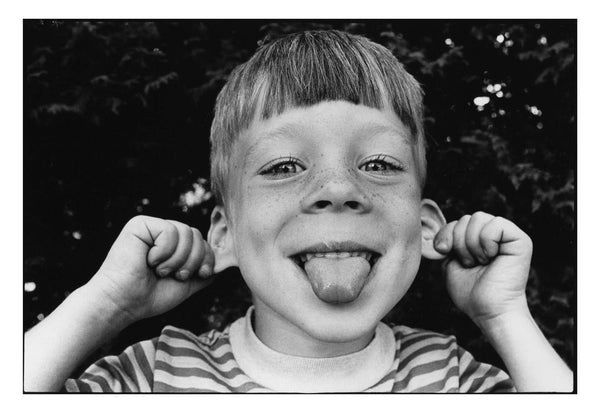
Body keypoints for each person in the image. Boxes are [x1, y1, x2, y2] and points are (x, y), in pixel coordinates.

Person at [24, 29, 573, 393]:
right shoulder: (154, 376)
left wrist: (503, 315)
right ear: (225, 235)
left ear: (427, 228)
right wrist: (104, 304)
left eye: (378, 163)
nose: (337, 189)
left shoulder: (453, 378)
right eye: (284, 166)